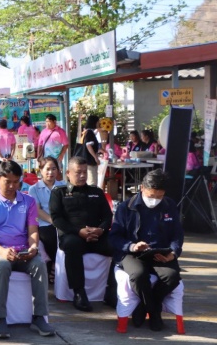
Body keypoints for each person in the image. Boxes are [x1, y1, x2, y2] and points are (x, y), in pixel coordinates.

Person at [0, 160, 54, 339]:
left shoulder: (28, 202)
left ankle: (39, 316)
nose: (12, 186)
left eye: (16, 182)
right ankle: (0, 318)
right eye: (8, 182)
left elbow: (33, 231)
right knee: (2, 265)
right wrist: (3, 252)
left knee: (39, 264)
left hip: (23, 251)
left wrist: (33, 247)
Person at [109, 170, 183, 331]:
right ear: (142, 188)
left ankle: (144, 308)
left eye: (159, 196)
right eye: (151, 196)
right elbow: (114, 237)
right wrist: (132, 246)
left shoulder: (169, 205)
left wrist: (173, 252)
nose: (154, 200)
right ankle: (155, 313)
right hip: (132, 253)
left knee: (172, 276)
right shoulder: (126, 207)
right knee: (138, 274)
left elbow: (177, 234)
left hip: (160, 252)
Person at [49, 157, 113, 312]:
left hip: (96, 235)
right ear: (68, 173)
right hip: (73, 235)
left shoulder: (96, 192)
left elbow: (107, 216)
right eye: (78, 172)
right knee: (72, 245)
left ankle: (112, 290)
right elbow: (56, 219)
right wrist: (78, 231)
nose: (83, 175)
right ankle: (79, 292)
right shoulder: (59, 193)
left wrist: (101, 230)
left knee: (118, 245)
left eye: (85, 172)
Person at [27, 156, 65, 277]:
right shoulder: (34, 189)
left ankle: (58, 266)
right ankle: (55, 265)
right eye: (47, 169)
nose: (51, 172)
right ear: (41, 170)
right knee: (49, 235)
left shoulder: (64, 186)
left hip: (63, 221)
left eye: (54, 169)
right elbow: (37, 210)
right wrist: (54, 221)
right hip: (44, 223)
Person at [75, 115, 101, 186]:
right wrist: (95, 158)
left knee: (87, 181)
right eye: (98, 122)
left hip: (85, 159)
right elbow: (88, 145)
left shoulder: (86, 132)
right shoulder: (90, 132)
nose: (99, 123)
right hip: (90, 160)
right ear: (94, 122)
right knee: (92, 181)